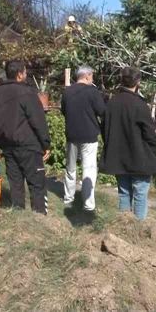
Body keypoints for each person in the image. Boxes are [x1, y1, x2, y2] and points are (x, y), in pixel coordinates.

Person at [0, 60, 51, 214]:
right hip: (29, 145)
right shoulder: (27, 93)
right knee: (36, 185)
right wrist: (45, 144)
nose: (26, 75)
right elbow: (38, 120)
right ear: (20, 74)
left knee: (15, 184)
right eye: (25, 72)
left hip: (7, 146)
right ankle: (39, 217)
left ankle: (18, 216)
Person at [100, 67, 156, 221]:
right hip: (139, 157)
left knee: (124, 193)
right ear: (138, 82)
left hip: (118, 156)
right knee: (140, 194)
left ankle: (124, 228)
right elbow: (150, 133)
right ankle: (138, 230)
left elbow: (104, 129)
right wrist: (152, 148)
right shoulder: (139, 105)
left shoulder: (111, 103)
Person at [60, 65, 106, 211]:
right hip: (89, 135)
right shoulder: (92, 92)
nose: (92, 78)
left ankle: (68, 199)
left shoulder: (67, 92)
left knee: (70, 168)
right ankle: (88, 204)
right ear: (87, 76)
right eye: (92, 76)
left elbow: (63, 111)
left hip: (72, 134)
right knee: (89, 169)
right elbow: (102, 111)